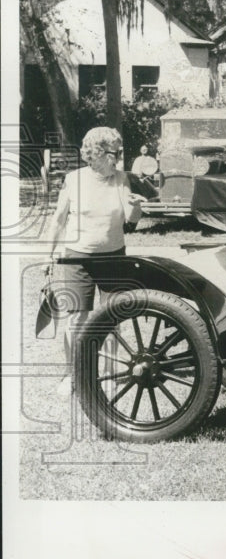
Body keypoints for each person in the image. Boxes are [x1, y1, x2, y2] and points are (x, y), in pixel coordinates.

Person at [42, 127, 145, 395]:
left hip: (113, 257)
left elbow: (131, 219)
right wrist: (48, 254)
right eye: (115, 154)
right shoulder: (73, 180)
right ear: (96, 153)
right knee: (77, 320)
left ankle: (110, 374)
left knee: (112, 319)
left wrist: (136, 205)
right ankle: (73, 375)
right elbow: (58, 220)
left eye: (120, 153)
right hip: (77, 259)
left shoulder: (121, 179)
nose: (119, 159)